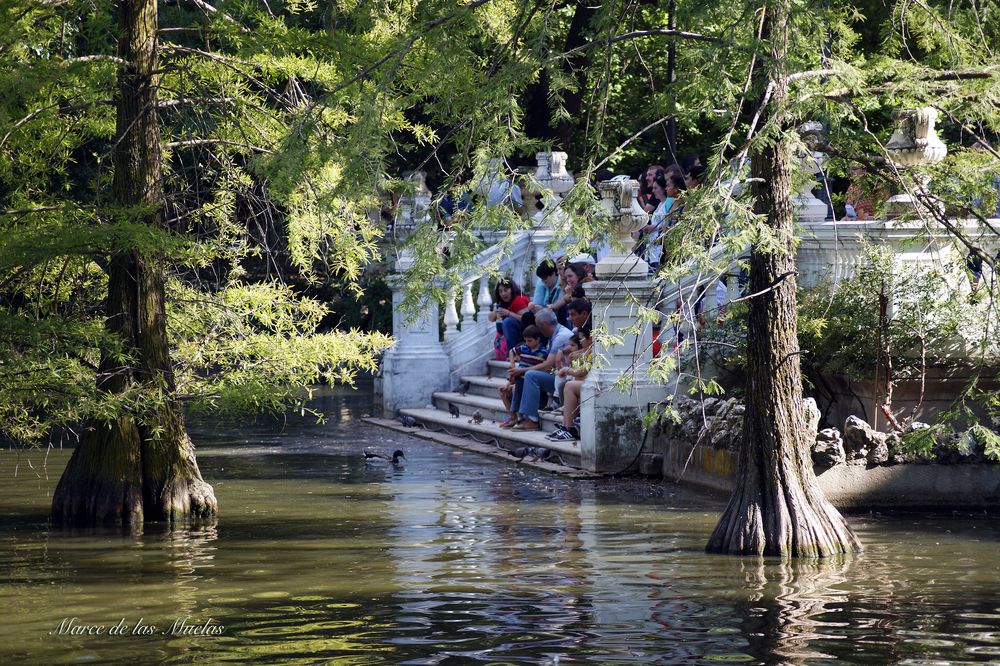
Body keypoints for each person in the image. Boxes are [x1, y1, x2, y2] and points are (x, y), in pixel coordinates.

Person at [508, 309, 573, 431]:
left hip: (564, 379)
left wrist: (521, 370)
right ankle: (520, 416)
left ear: (544, 325)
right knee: (524, 375)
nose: (538, 330)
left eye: (538, 326)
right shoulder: (554, 335)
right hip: (557, 376)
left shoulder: (561, 336)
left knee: (531, 375)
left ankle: (532, 420)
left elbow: (547, 365)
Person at [498, 325, 548, 428]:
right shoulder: (524, 348)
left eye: (530, 341)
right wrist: (512, 364)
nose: (527, 343)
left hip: (532, 385)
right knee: (505, 389)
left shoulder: (544, 352)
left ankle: (520, 416)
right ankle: (515, 417)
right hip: (519, 379)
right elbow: (512, 351)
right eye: (525, 341)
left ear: (538, 339)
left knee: (517, 386)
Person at [488, 278, 531, 359]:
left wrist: (509, 313)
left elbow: (527, 319)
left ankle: (512, 354)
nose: (503, 293)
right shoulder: (503, 303)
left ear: (512, 289)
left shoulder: (518, 300)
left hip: (527, 334)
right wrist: (497, 311)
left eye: (506, 290)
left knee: (508, 322)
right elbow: (490, 318)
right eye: (500, 291)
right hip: (518, 334)